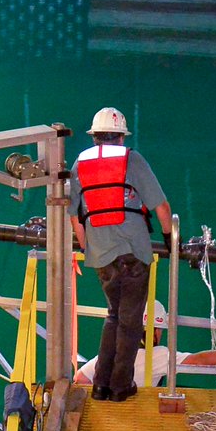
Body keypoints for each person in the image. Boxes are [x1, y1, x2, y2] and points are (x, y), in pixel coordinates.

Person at [73, 106, 173, 402]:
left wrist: (85, 246)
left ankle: (100, 384)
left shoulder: (80, 163)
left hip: (100, 254)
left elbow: (74, 216)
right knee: (130, 322)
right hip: (133, 252)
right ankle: (119, 386)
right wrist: (169, 239)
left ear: (95, 137)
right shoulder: (132, 160)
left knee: (113, 316)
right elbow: (162, 208)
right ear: (120, 136)